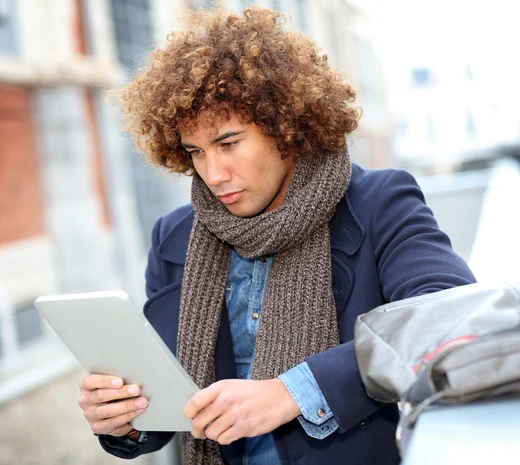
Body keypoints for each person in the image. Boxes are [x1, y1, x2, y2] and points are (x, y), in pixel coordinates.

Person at [77, 7, 476, 465]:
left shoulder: (379, 203)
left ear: (286, 127)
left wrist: (293, 391)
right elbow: (169, 397)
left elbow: (449, 317)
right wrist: (124, 420)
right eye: (195, 152)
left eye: (228, 144)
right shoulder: (174, 238)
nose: (213, 173)